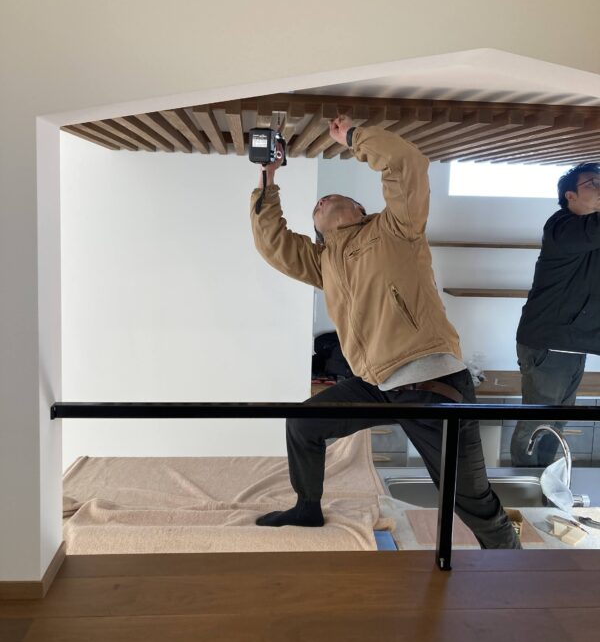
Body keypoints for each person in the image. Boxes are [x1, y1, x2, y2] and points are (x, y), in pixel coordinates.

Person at [250, 116, 520, 549]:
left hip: (434, 384)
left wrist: (353, 136)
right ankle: (307, 508)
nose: (323, 200)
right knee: (303, 421)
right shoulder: (324, 262)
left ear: (362, 210)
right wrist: (268, 177)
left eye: (335, 197)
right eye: (317, 206)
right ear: (318, 233)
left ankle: (512, 559)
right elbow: (273, 244)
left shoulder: (397, 228)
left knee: (468, 498)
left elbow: (407, 163)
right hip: (376, 385)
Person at [512, 162, 600, 467]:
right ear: (570, 196)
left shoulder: (590, 237)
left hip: (572, 346)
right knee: (537, 426)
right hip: (548, 345)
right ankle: (524, 486)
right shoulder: (561, 227)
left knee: (555, 425)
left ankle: (543, 484)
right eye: (593, 184)